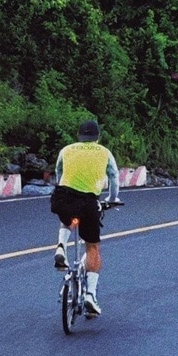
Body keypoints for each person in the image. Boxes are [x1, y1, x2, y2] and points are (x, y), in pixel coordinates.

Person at [50, 119, 120, 316]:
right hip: (88, 201)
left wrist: (62, 189)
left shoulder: (66, 149)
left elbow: (59, 172)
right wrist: (112, 199)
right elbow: (114, 176)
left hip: (64, 196)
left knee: (69, 218)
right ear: (97, 137)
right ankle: (90, 295)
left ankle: (61, 247)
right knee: (93, 247)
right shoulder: (105, 152)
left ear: (79, 136)